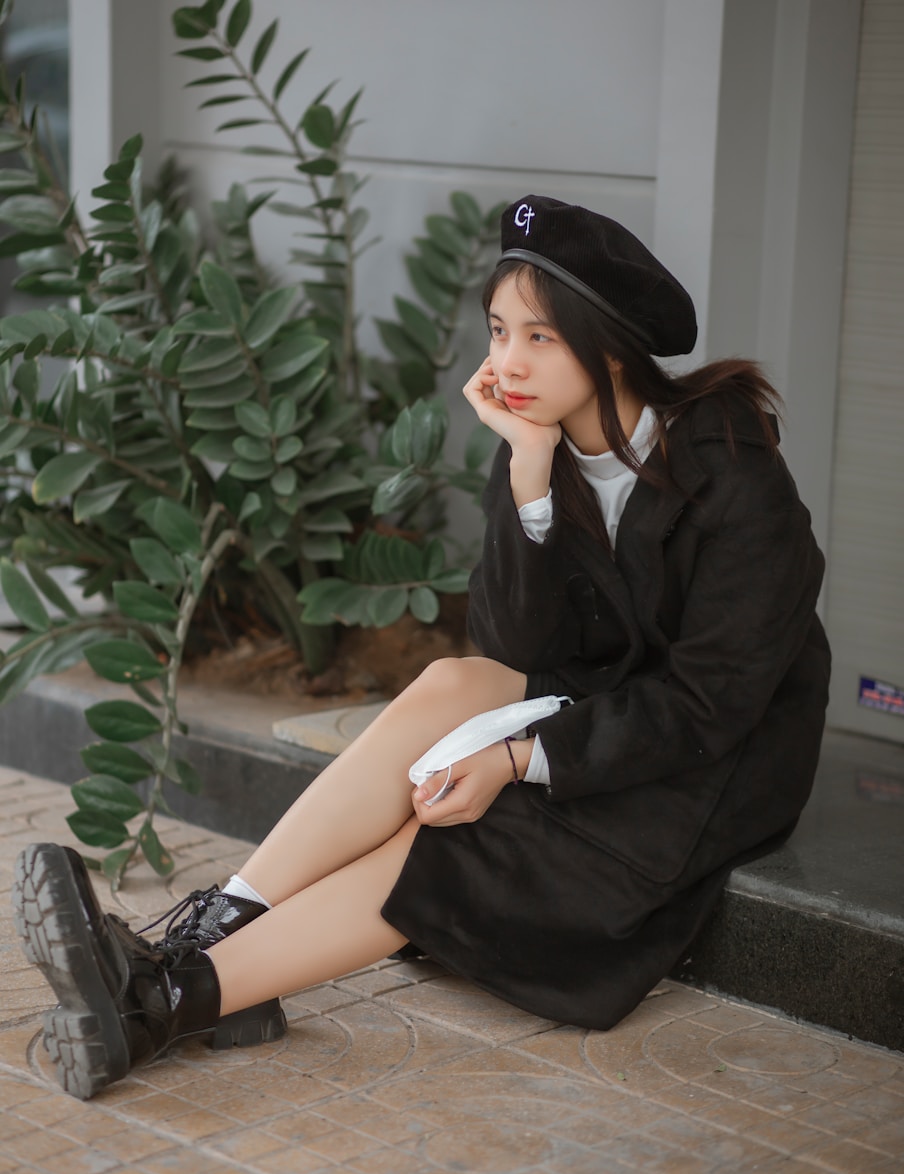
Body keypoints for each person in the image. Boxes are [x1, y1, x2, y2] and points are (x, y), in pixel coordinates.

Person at [13, 195, 831, 1102]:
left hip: (719, 751)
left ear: (608, 346)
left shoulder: (734, 470)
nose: (505, 364)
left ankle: (165, 1002)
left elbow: (710, 703)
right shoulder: (537, 440)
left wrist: (519, 758)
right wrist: (527, 478)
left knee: (465, 825)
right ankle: (203, 934)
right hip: (610, 700)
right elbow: (516, 643)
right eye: (496, 331)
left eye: (538, 338)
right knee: (454, 680)